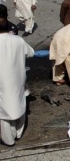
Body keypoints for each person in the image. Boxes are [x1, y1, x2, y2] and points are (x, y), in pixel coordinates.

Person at [0, 13, 34, 146]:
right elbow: (30, 53)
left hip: (2, 82)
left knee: (3, 111)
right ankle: (18, 133)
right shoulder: (18, 40)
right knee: (19, 105)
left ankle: (9, 139)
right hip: (18, 79)